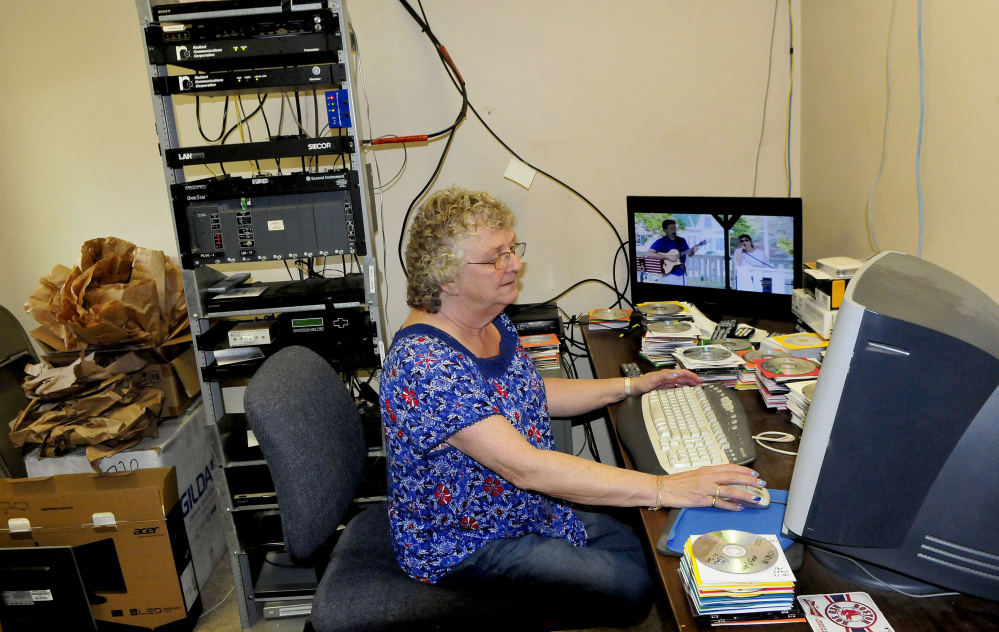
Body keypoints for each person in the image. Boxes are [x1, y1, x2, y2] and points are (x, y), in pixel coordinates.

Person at [380, 187, 765, 626]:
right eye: (496, 258)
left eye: (512, 249)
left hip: (522, 507)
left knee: (651, 545)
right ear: (446, 278)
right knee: (638, 584)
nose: (516, 264)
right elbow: (526, 468)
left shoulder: (486, 318)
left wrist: (632, 385)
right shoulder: (425, 365)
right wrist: (666, 487)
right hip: (467, 540)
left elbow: (532, 395)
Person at [645, 218, 699, 285]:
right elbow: (649, 253)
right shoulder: (661, 241)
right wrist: (668, 257)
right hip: (669, 275)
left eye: (674, 228)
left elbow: (689, 254)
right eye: (671, 229)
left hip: (683, 274)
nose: (674, 230)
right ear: (665, 230)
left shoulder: (681, 240)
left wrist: (693, 251)